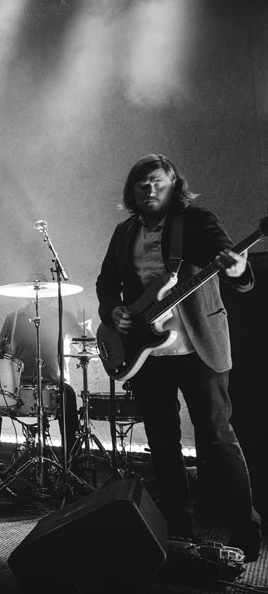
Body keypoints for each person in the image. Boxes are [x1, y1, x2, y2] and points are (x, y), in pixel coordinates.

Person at [95, 154, 261, 561]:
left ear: (173, 184)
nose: (149, 189)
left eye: (157, 182)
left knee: (218, 439)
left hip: (198, 347)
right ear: (132, 192)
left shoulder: (197, 221)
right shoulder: (125, 231)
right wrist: (113, 311)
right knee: (163, 443)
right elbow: (106, 282)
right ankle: (178, 530)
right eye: (141, 184)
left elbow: (234, 267)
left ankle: (246, 531)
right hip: (146, 352)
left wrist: (236, 269)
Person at [0, 277, 82, 460]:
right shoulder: (13, 318)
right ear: (27, 295)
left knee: (69, 395)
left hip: (53, 383)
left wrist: (87, 339)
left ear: (51, 295)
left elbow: (84, 342)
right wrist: (3, 352)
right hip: (18, 384)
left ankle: (73, 461)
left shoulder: (64, 316)